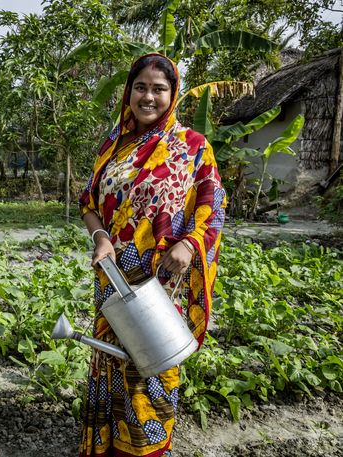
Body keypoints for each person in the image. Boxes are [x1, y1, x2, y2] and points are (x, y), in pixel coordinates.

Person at [78, 53, 226, 456]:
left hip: (163, 278)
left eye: (159, 89)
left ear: (172, 94)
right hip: (113, 274)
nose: (148, 96)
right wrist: (101, 238)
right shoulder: (113, 146)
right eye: (140, 87)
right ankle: (108, 444)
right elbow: (88, 203)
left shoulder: (193, 147)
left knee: (152, 364)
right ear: (128, 92)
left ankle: (146, 448)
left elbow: (214, 208)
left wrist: (190, 244)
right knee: (111, 361)